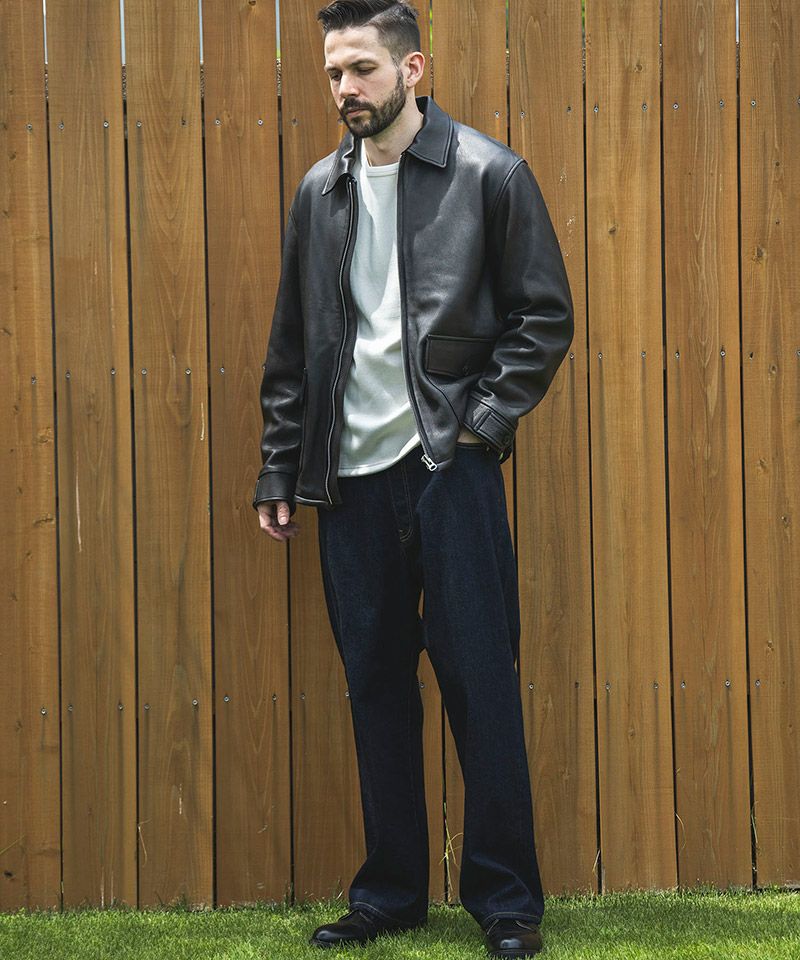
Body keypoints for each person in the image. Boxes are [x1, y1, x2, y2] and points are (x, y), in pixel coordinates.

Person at [253, 1, 573, 955]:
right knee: (376, 688)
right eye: (333, 73)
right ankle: (390, 893)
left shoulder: (489, 174)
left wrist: (479, 426)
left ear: (412, 69)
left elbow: (543, 317)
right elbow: (293, 347)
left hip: (449, 473)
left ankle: (507, 903)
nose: (344, 89)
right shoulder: (321, 191)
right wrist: (280, 465)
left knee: (482, 687)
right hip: (350, 482)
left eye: (361, 68)